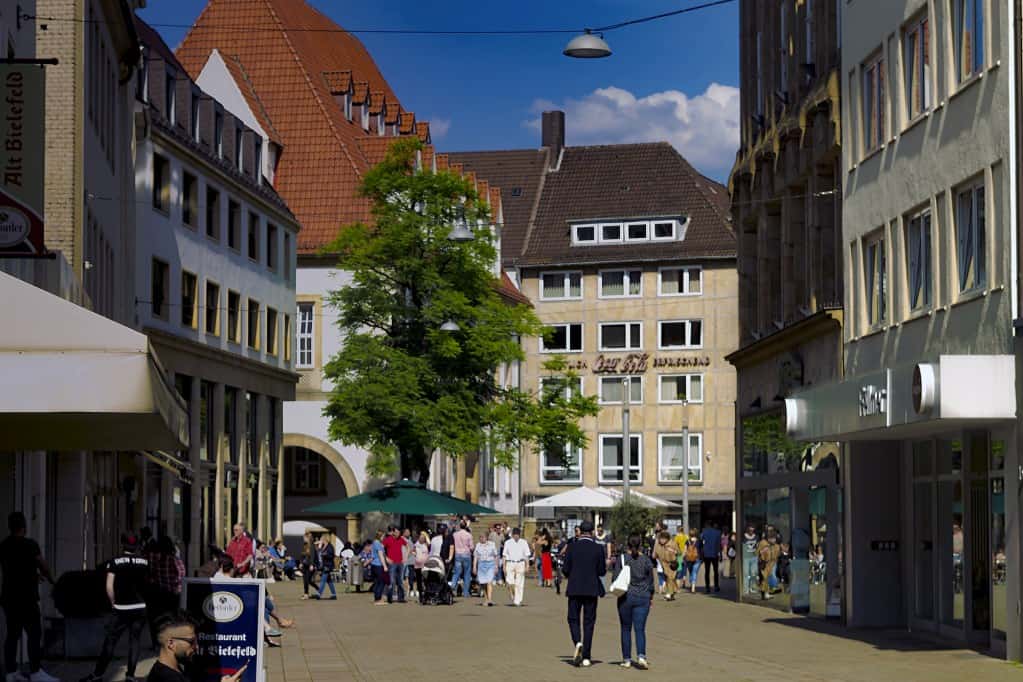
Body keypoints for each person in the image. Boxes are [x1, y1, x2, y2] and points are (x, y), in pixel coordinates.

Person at [80, 534, 151, 682]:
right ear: (137, 545)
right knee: (135, 641)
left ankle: (98, 674)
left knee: (111, 641)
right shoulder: (144, 562)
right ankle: (131, 675)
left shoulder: (115, 562)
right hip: (140, 607)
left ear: (122, 544)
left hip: (121, 608)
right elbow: (148, 584)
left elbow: (109, 586)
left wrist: (113, 602)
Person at [1, 512, 58, 682]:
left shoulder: (3, 545)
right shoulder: (30, 545)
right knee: (34, 633)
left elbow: (14, 569)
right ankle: (35, 672)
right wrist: (50, 579)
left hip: (9, 598)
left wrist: (33, 575)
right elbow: (43, 565)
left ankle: (11, 673)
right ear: (24, 527)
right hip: (27, 598)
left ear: (10, 527)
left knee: (12, 635)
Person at [146, 610, 248, 682]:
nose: (197, 647)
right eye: (191, 642)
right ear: (171, 644)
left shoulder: (178, 668)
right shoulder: (164, 678)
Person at [562, 521, 606, 668]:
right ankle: (587, 656)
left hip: (574, 587)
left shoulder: (572, 547)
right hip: (591, 589)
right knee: (589, 622)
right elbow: (602, 571)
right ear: (592, 532)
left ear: (579, 531)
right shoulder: (598, 548)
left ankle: (578, 642)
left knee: (573, 618)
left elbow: (565, 569)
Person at [616, 535, 654, 670]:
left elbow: (615, 578)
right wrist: (651, 596)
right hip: (643, 596)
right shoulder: (646, 560)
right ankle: (641, 656)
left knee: (625, 628)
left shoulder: (622, 559)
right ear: (640, 545)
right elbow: (651, 581)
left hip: (625, 597)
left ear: (627, 545)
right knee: (640, 629)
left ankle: (626, 659)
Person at [147, 536, 185, 649]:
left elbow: (149, 574)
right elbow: (181, 574)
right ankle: (171, 641)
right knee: (172, 618)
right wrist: (175, 583)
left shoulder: (152, 558)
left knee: (156, 619)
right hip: (173, 593)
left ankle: (156, 642)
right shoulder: (174, 559)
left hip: (158, 592)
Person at [501, 527, 532, 606]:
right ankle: (513, 594)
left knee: (519, 583)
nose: (516, 536)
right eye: (515, 535)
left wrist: (527, 565)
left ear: (519, 535)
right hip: (510, 563)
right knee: (509, 581)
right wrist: (504, 566)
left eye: (517, 535)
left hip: (520, 563)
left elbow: (526, 555)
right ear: (512, 535)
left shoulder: (524, 542)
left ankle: (517, 600)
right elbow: (504, 555)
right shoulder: (507, 542)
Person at [472, 531, 498, 607]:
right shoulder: (478, 545)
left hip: (490, 564)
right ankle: (486, 599)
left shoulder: (492, 544)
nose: (481, 538)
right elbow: (475, 557)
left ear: (486, 537)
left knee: (489, 582)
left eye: (482, 537)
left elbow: (496, 556)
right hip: (481, 565)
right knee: (483, 583)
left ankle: (489, 599)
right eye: (480, 537)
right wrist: (474, 567)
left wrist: (496, 566)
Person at [382, 526, 406, 604]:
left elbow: (408, 546)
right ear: (393, 532)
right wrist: (386, 558)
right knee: (391, 581)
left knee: (400, 581)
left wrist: (405, 557)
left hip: (400, 563)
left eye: (399, 532)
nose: (397, 534)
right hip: (392, 563)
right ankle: (390, 597)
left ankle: (401, 597)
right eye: (396, 532)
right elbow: (381, 550)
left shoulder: (401, 539)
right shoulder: (387, 540)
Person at [449, 522, 473, 599]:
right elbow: (471, 547)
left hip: (458, 554)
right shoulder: (469, 535)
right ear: (466, 526)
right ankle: (465, 593)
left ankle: (452, 587)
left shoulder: (455, 534)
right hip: (466, 554)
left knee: (456, 572)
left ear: (459, 526)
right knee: (467, 574)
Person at [652, 531, 678, 601]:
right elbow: (654, 555)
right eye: (660, 539)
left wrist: (672, 550)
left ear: (667, 539)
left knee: (670, 578)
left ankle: (669, 594)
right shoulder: (658, 545)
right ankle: (672, 593)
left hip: (672, 564)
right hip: (663, 564)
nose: (662, 540)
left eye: (663, 539)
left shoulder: (672, 543)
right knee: (668, 578)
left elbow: (678, 552)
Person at [758, 531, 781, 600]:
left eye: (775, 539)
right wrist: (762, 553)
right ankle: (764, 594)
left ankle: (767, 593)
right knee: (765, 579)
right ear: (769, 538)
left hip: (771, 564)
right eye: (773, 539)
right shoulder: (763, 544)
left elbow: (777, 554)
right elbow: (760, 554)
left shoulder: (776, 546)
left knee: (767, 578)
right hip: (764, 564)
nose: (774, 540)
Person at [700, 521, 722, 593]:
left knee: (707, 571)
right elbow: (719, 544)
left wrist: (701, 554)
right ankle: (716, 586)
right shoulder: (718, 532)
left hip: (706, 554)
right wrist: (720, 555)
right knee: (716, 571)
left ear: (707, 525)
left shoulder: (704, 532)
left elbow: (701, 542)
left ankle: (707, 587)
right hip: (715, 553)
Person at [370, 530, 388, 605]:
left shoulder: (374, 543)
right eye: (383, 536)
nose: (384, 538)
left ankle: (377, 598)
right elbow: (380, 555)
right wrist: (385, 566)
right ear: (380, 536)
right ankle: (378, 599)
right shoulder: (378, 544)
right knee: (381, 582)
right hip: (378, 565)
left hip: (374, 565)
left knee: (377, 582)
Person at [683, 528, 702, 594]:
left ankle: (691, 585)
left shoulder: (687, 541)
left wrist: (683, 558)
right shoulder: (699, 541)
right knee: (694, 572)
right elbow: (701, 550)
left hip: (688, 559)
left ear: (689, 534)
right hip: (697, 558)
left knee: (691, 572)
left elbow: (685, 551)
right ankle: (693, 587)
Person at [742, 525, 759, 595]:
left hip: (754, 557)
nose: (751, 531)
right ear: (747, 530)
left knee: (753, 573)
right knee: (746, 574)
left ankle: (752, 588)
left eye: (753, 530)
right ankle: (746, 589)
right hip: (746, 557)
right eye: (750, 530)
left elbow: (757, 546)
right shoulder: (743, 537)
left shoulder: (756, 537)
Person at [412, 531, 430, 598]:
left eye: (423, 538)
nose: (422, 539)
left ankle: (427, 593)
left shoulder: (426, 544)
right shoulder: (416, 544)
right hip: (418, 566)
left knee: (426, 580)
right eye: (421, 538)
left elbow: (429, 542)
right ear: (418, 538)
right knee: (419, 580)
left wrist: (425, 535)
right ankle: (420, 595)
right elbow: (413, 551)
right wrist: (415, 554)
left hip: (425, 566)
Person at [402, 528, 416, 597]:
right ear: (403, 533)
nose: (408, 533)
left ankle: (409, 590)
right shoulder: (402, 539)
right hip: (406, 561)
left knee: (409, 576)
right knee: (406, 576)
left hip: (411, 561)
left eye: (409, 531)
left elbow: (412, 548)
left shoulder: (410, 539)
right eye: (407, 532)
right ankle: (406, 590)